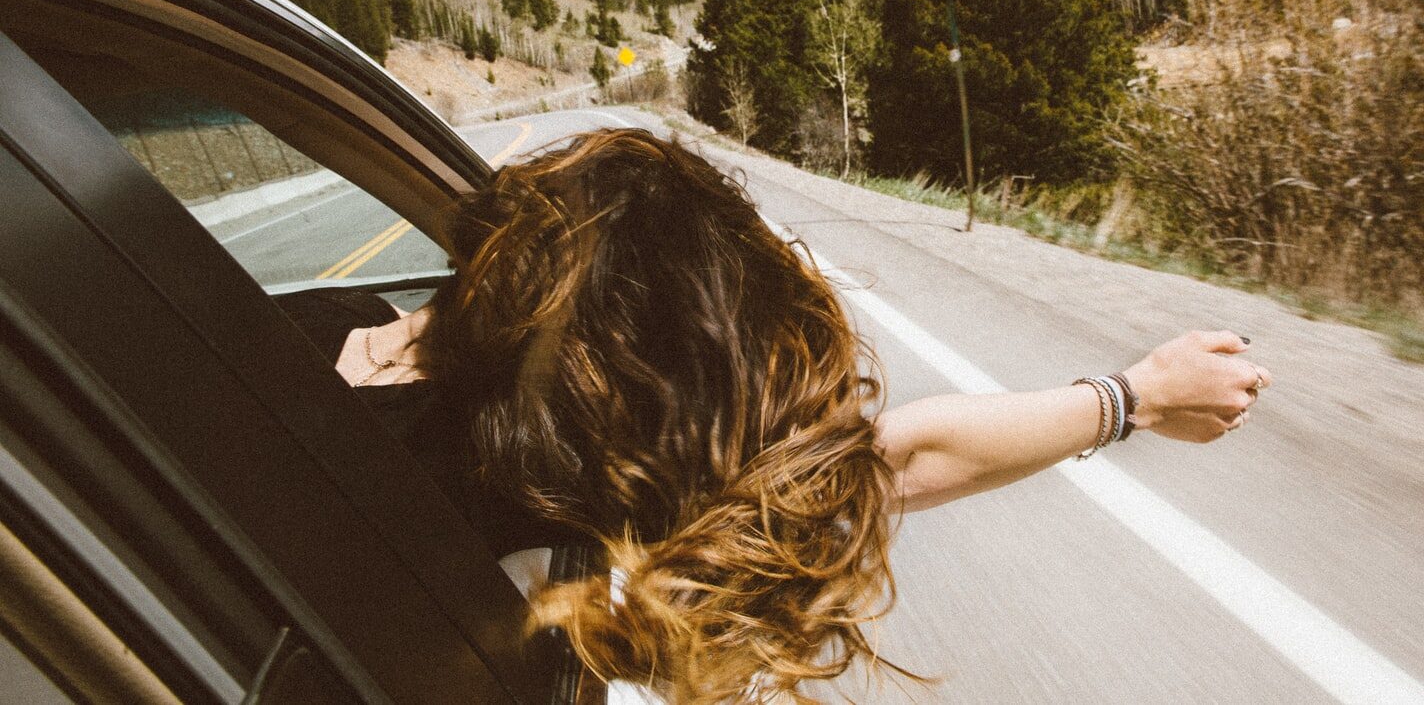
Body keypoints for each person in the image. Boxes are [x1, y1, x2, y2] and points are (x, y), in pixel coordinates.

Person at [290, 127, 1270, 705]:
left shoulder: (278, 334)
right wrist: (1131, 398)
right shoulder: (547, 507)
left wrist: (1134, 398)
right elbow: (899, 455)